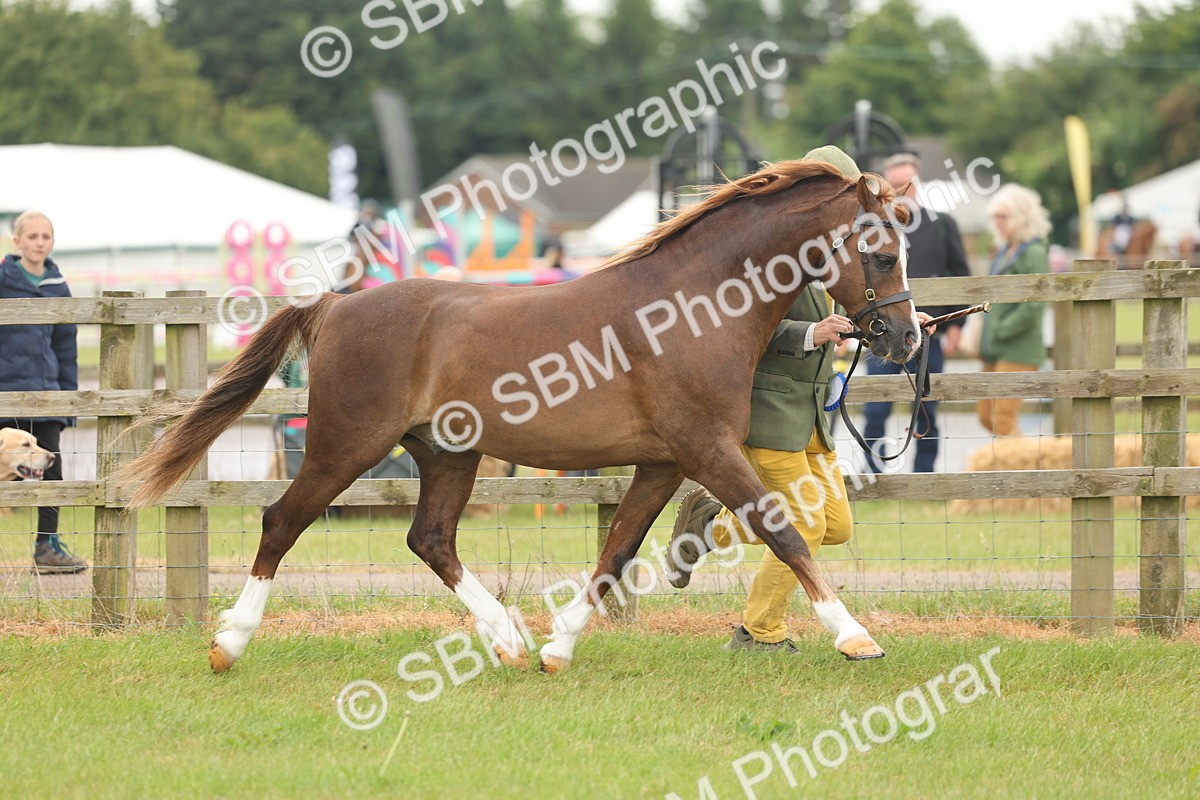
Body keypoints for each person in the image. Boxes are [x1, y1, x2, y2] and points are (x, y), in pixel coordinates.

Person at [665, 147, 937, 651]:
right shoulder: (768, 258)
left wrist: (897, 323)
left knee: (836, 526)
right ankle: (759, 632)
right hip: (771, 413)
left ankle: (712, 525)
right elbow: (738, 334)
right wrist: (811, 332)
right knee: (805, 525)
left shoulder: (838, 251)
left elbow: (858, 306)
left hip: (813, 415)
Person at [863, 152, 971, 473]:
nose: (901, 192)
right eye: (894, 186)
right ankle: (873, 471)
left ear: (918, 185)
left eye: (906, 185)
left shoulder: (941, 225)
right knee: (876, 406)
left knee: (926, 408)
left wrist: (957, 324)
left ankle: (924, 475)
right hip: (883, 334)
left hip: (929, 333)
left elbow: (959, 274)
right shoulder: (875, 229)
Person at [0, 211, 85, 573]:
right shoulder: (2, 282)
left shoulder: (58, 286)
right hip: (5, 392)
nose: (38, 242)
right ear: (16, 241)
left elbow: (66, 346)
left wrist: (67, 398)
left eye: (45, 236)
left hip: (47, 393)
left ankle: (47, 545)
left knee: (51, 470)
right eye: (31, 236)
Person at [977, 184, 1050, 437]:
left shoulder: (1034, 252)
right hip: (995, 348)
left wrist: (1000, 329)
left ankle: (1026, 471)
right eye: (994, 216)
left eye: (1003, 216)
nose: (997, 222)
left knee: (1002, 417)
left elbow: (1035, 305)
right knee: (987, 416)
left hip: (1018, 348)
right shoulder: (1003, 251)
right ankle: (1022, 465)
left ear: (1021, 217)